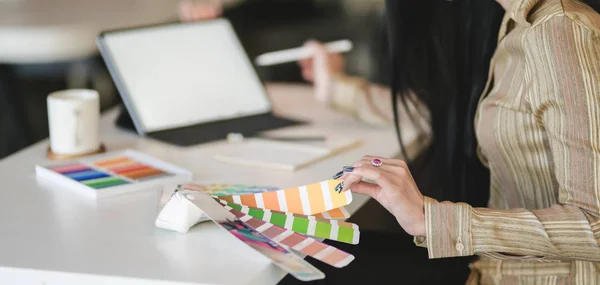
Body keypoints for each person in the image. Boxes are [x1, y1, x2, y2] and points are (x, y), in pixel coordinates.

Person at [300, 0, 600, 284]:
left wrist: (430, 219)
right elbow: (456, 117)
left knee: (308, 264)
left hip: (534, 276)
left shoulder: (564, 32)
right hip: (491, 267)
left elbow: (596, 226)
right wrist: (335, 89)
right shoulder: (516, 23)